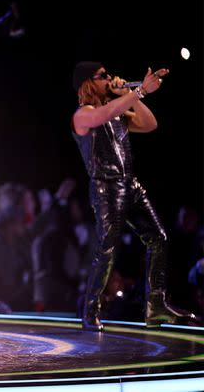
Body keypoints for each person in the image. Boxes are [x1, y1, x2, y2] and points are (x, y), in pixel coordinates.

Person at [71, 61, 199, 330]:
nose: (109, 78)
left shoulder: (117, 112)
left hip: (131, 185)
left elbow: (150, 123)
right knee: (106, 248)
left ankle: (155, 305)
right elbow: (100, 116)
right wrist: (138, 91)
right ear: (88, 83)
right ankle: (90, 310)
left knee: (158, 238)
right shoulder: (83, 114)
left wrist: (129, 95)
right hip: (107, 189)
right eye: (102, 76)